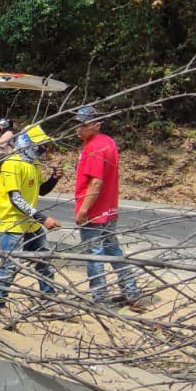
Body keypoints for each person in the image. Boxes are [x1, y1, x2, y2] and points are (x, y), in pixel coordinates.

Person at [73, 105, 141, 306]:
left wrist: (84, 209)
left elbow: (96, 182)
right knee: (113, 251)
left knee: (94, 255)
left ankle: (100, 299)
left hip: (94, 212)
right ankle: (131, 292)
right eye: (77, 125)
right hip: (109, 210)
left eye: (83, 125)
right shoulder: (108, 142)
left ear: (96, 125)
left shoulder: (94, 147)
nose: (79, 129)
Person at [0, 125, 62, 307]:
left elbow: (41, 190)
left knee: (44, 261)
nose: (42, 149)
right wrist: (42, 218)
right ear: (27, 143)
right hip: (13, 224)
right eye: (39, 145)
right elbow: (15, 198)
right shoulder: (12, 164)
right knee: (10, 265)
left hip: (31, 224)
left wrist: (54, 178)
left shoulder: (34, 164)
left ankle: (48, 299)